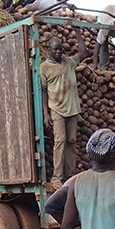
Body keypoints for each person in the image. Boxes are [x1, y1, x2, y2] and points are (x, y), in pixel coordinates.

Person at [41, 33, 90, 190]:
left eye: (60, 50)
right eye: (55, 50)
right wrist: (45, 113)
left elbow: (84, 53)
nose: (58, 53)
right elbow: (43, 91)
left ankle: (70, 175)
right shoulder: (44, 67)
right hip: (56, 109)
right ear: (49, 50)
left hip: (72, 109)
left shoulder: (69, 62)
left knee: (71, 141)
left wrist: (77, 32)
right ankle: (57, 176)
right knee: (60, 141)